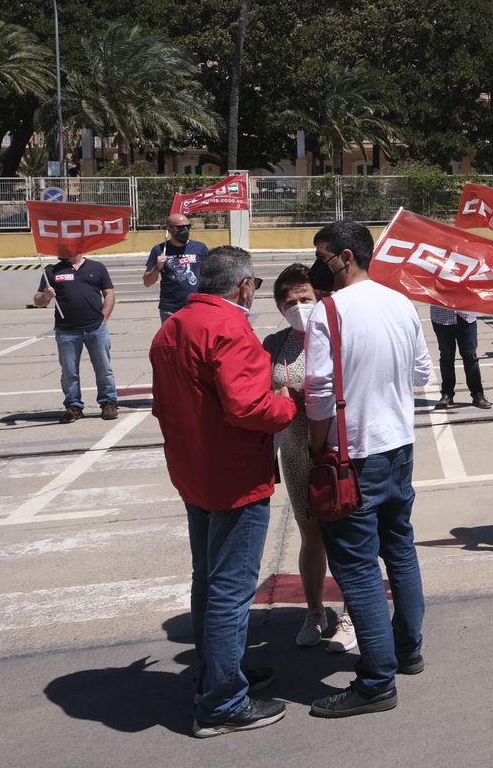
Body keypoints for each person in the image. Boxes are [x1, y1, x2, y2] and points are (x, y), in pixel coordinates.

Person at [149, 246, 298, 737]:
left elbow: (164, 406)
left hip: (194, 471)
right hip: (234, 476)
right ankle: (222, 702)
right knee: (232, 590)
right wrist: (289, 406)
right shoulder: (229, 328)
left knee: (208, 581)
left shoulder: (173, 325)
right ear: (245, 286)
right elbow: (248, 408)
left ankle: (218, 672)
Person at [303, 221, 431, 718]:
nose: (320, 267)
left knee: (356, 567)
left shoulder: (328, 312)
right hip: (398, 445)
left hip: (351, 453)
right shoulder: (399, 302)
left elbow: (317, 395)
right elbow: (422, 372)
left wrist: (318, 450)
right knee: (399, 549)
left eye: (324, 257)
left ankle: (376, 681)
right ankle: (407, 650)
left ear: (347, 256)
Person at [260, 264, 346, 655]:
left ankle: (352, 615)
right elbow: (258, 393)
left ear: (320, 298)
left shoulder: (336, 334)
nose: (298, 307)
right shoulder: (274, 343)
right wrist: (279, 397)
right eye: (290, 302)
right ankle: (314, 612)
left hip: (335, 450)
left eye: (305, 299)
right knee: (311, 537)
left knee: (345, 536)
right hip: (295, 452)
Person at [35, 246, 118, 423]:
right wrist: (46, 297)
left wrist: (104, 318)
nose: (62, 251)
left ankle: (108, 402)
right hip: (66, 330)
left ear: (79, 248)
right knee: (69, 372)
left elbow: (109, 293)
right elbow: (38, 300)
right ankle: (73, 406)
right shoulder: (51, 270)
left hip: (96, 328)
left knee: (103, 368)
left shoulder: (97, 267)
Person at [142, 212, 207, 321]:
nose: (185, 230)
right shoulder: (159, 250)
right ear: (169, 230)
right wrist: (157, 267)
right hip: (170, 309)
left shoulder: (200, 248)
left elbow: (210, 275)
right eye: (180, 227)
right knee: (172, 338)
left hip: (196, 306)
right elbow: (147, 282)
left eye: (188, 226)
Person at [430, 303, 490, 411]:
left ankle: (478, 395)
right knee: (446, 357)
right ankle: (447, 394)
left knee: (470, 357)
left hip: (466, 316)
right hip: (442, 316)